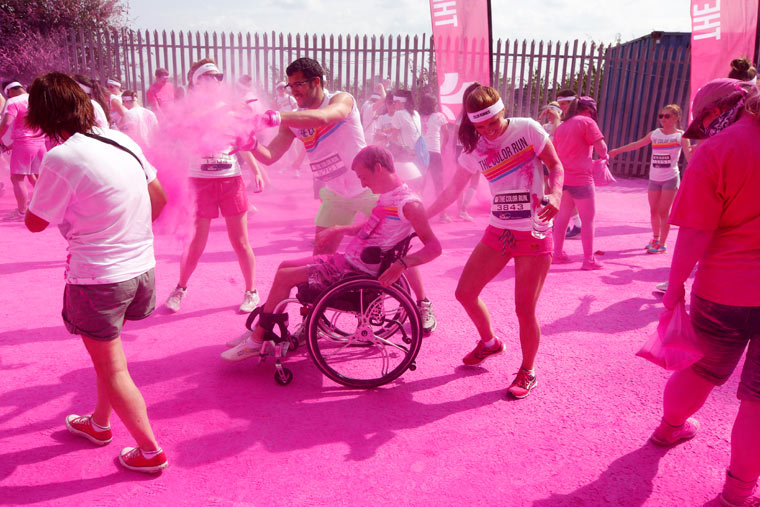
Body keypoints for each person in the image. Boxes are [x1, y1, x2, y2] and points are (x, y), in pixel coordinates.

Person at [24, 72, 169, 473]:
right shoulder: (122, 140)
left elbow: (35, 222)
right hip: (141, 270)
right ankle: (100, 423)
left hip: (99, 277)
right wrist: (127, 236)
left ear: (42, 116)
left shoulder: (61, 156)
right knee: (109, 355)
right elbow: (159, 198)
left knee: (112, 365)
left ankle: (150, 450)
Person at [245, 57, 438, 333]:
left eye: (298, 84)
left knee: (395, 247)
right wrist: (249, 142)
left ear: (317, 82)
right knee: (319, 259)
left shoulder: (342, 99)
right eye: (290, 87)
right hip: (335, 193)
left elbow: (325, 117)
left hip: (368, 188)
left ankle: (422, 302)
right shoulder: (294, 120)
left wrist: (274, 116)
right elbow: (270, 156)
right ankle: (315, 320)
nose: (293, 91)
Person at [222, 145, 441, 360]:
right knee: (284, 266)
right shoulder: (388, 196)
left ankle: (259, 338)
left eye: (364, 177)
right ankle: (262, 329)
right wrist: (338, 229)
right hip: (345, 262)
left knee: (284, 277)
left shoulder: (409, 204)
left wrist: (402, 264)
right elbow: (368, 228)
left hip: (354, 272)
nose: (362, 184)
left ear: (378, 168)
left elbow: (434, 248)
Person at [652, 78, 759, 507]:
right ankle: (738, 491)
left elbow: (696, 233)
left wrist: (674, 289)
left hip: (724, 290)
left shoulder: (718, 150)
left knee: (700, 370)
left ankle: (670, 427)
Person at [426, 83, 564, 399]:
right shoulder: (474, 151)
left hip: (533, 230)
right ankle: (490, 343)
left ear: (502, 111)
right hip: (498, 231)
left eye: (493, 123)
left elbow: (555, 165)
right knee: (465, 292)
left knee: (524, 309)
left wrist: (555, 193)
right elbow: (451, 191)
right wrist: (423, 215)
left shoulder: (527, 129)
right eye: (481, 126)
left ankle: (527, 371)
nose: (488, 131)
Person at [164, 58, 264, 314]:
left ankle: (251, 291)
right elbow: (175, 136)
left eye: (218, 77)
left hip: (231, 180)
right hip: (200, 182)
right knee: (196, 243)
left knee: (240, 241)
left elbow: (241, 142)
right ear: (196, 83)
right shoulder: (188, 110)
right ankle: (180, 288)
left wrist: (256, 169)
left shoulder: (231, 110)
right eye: (208, 78)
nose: (215, 82)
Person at [609, 104, 691, 253]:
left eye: (667, 116)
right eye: (661, 116)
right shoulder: (655, 134)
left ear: (676, 117)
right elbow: (637, 144)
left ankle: (663, 244)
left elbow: (689, 156)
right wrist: (618, 151)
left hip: (670, 179)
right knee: (654, 211)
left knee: (663, 212)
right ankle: (655, 237)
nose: (663, 119)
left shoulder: (681, 136)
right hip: (654, 178)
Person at [551, 96, 608, 270]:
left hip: (564, 179)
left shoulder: (561, 127)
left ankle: (557, 253)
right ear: (589, 110)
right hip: (582, 179)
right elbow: (602, 148)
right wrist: (605, 157)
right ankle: (588, 260)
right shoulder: (587, 122)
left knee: (562, 218)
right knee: (588, 220)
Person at [0, 81, 46, 221]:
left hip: (24, 144)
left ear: (9, 92)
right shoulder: (36, 99)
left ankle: (22, 212)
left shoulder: (13, 101)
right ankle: (42, 208)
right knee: (39, 178)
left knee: (17, 178)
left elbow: (7, 122)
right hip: (40, 143)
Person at [385, 89, 424, 192]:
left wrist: (385, 137)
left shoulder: (399, 114)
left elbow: (394, 137)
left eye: (394, 102)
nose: (393, 105)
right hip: (418, 153)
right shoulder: (415, 113)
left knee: (401, 187)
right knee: (414, 188)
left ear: (400, 102)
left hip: (405, 155)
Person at [555, 89, 582, 238]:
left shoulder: (580, 121)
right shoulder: (566, 121)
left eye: (565, 103)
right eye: (560, 104)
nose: (562, 107)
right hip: (565, 166)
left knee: (570, 200)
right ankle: (577, 226)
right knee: (566, 200)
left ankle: (574, 227)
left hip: (575, 168)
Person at [419, 93, 450, 218]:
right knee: (439, 184)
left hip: (421, 154)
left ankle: (417, 212)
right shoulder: (439, 116)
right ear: (434, 104)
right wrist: (442, 146)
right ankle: (442, 214)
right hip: (434, 153)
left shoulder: (417, 116)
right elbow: (446, 135)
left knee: (420, 184)